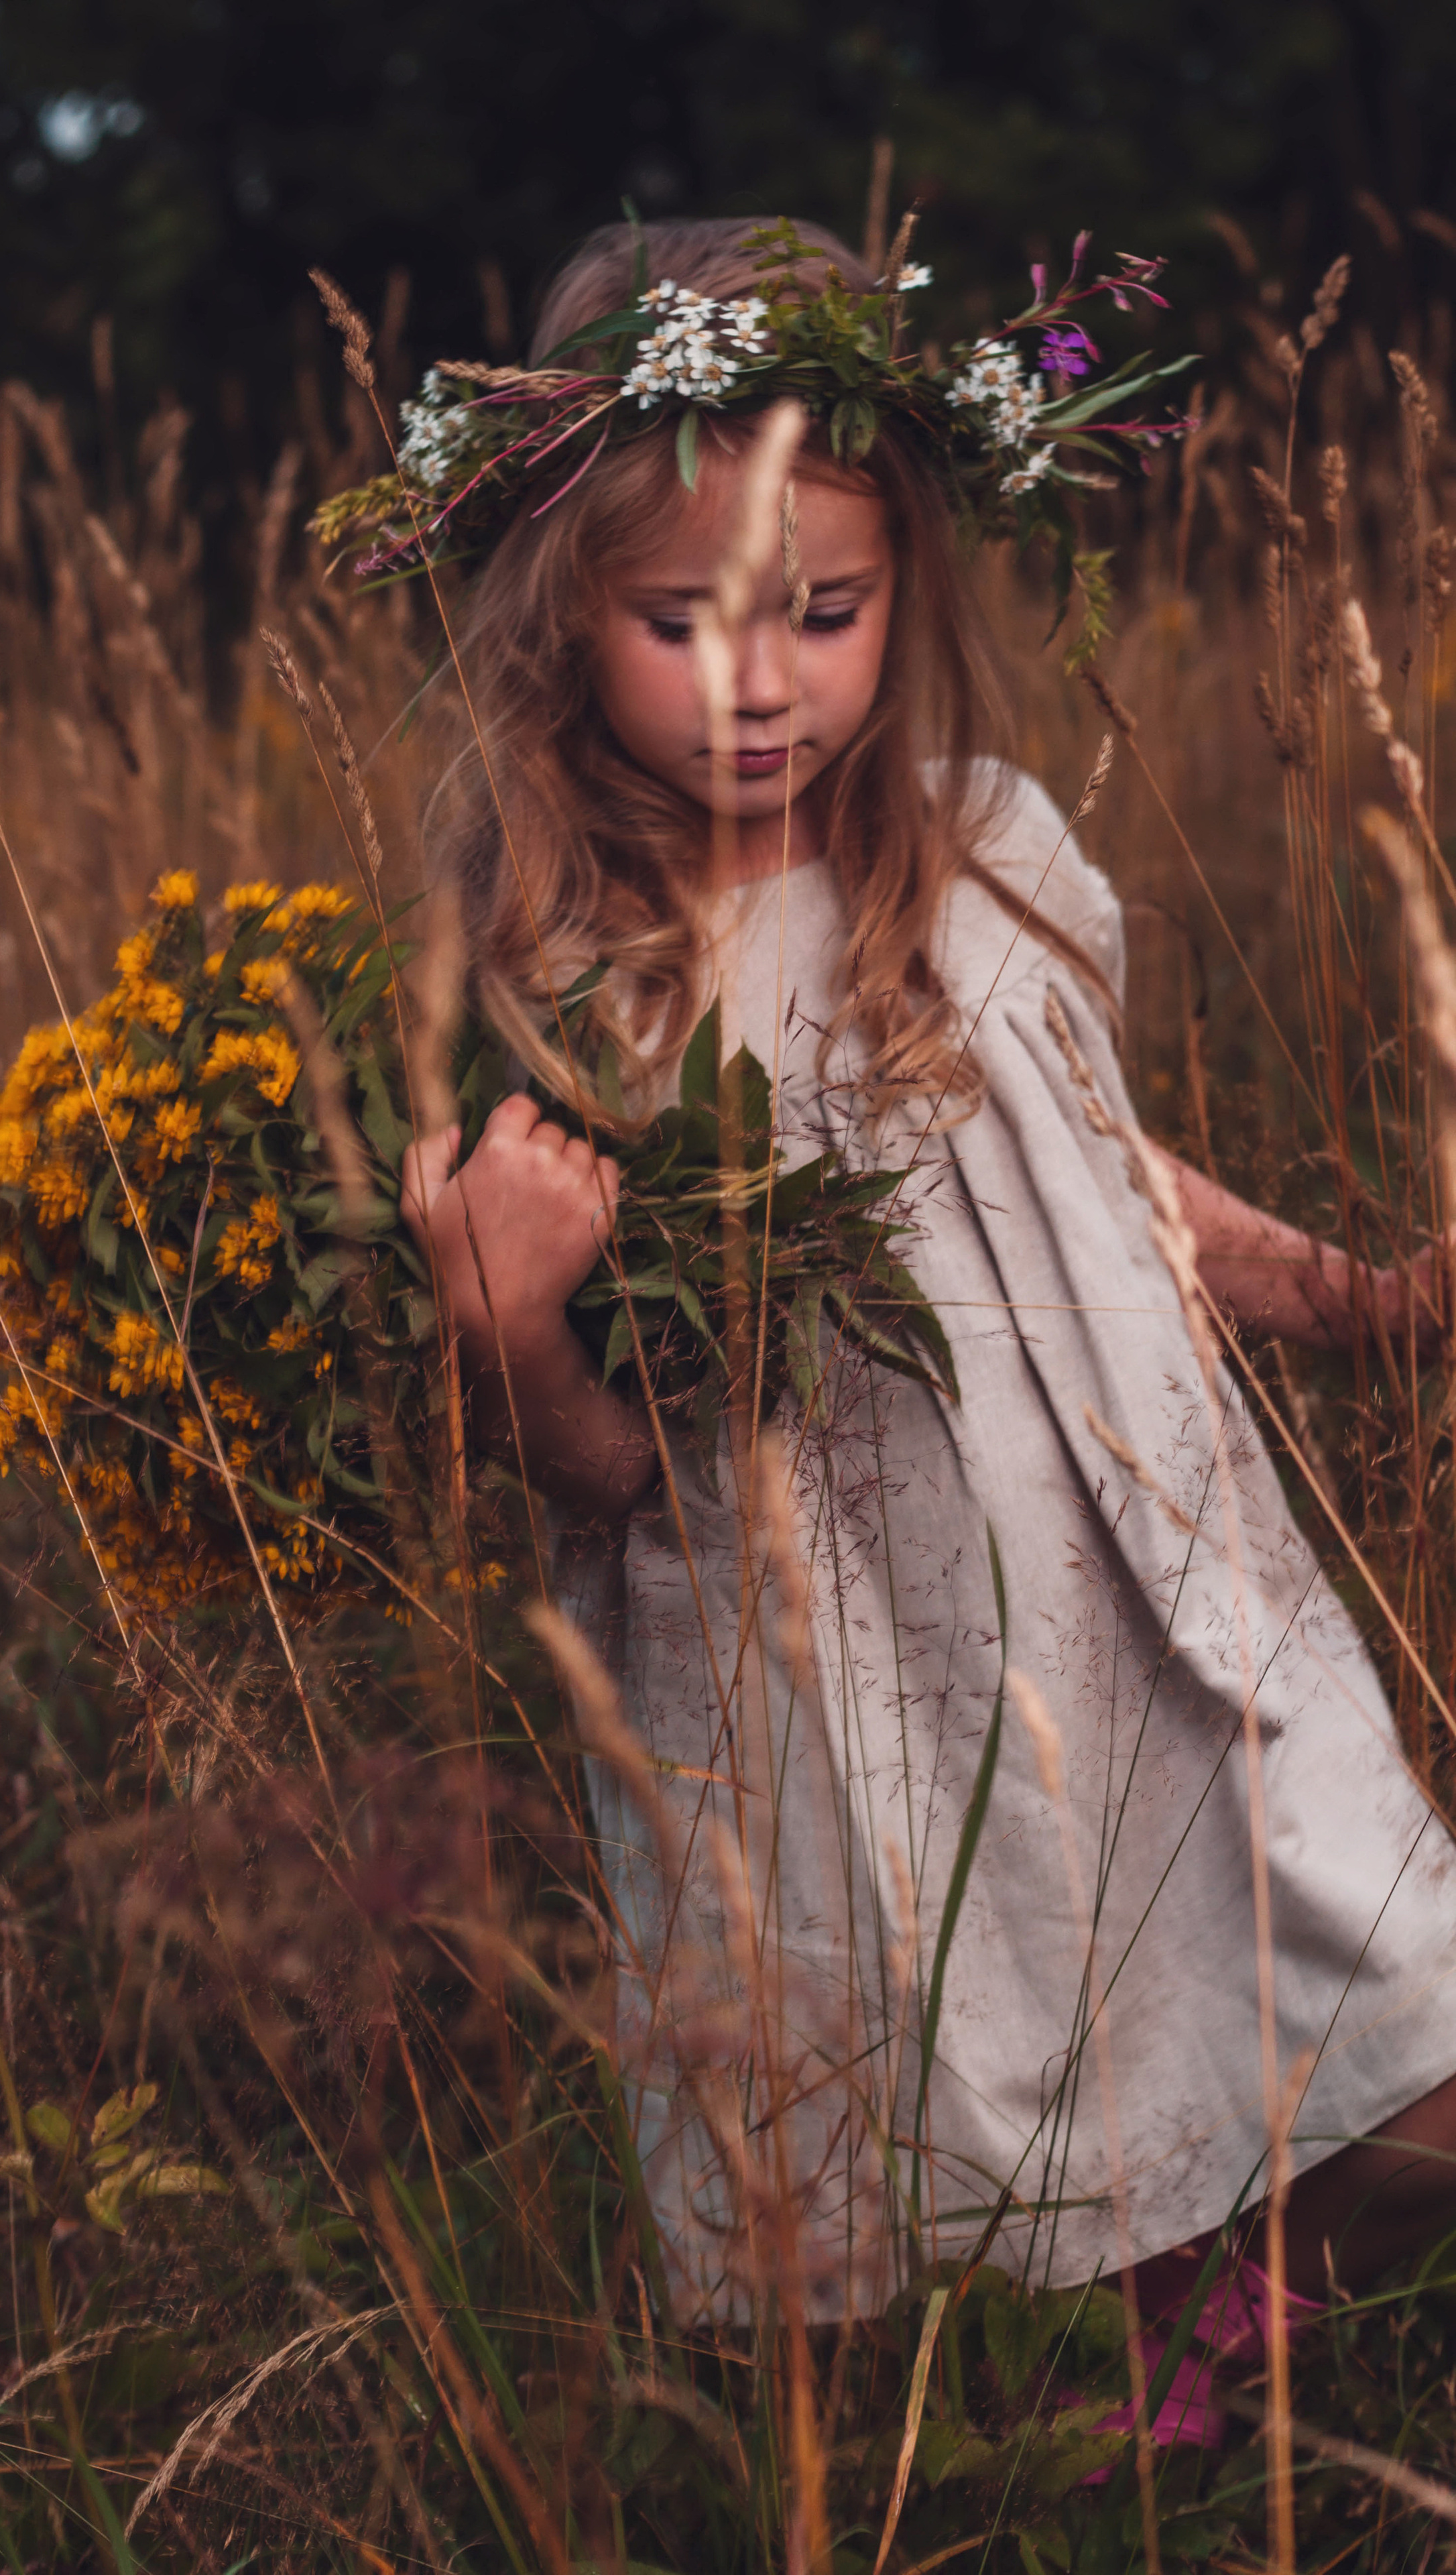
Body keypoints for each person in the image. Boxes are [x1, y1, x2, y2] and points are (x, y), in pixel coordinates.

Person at [361, 217, 1456, 2361]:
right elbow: (602, 1487)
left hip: (1131, 1595)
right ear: (563, 618)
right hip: (819, 1659)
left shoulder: (998, 850)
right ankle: (1099, 2410)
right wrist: (504, 1324)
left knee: (1383, 2009)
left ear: (904, 592)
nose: (761, 684)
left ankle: (1234, 2330)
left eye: (825, 614)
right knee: (954, 2141)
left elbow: (1090, 1168)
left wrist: (1361, 1300)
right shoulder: (560, 989)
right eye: (679, 624)